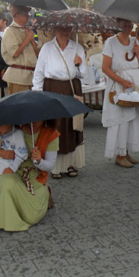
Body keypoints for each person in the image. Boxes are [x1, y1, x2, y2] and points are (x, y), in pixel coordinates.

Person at [32, 26, 86, 178]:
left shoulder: (77, 48)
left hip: (71, 88)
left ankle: (70, 164)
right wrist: (37, 93)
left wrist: (78, 64)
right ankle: (54, 166)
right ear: (55, 30)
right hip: (52, 88)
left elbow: (83, 75)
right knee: (54, 126)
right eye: (61, 29)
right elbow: (39, 72)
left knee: (71, 126)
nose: (65, 32)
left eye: (67, 30)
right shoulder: (47, 48)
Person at [101, 18, 139, 168]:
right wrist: (122, 81)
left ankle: (127, 151)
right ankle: (120, 154)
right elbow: (106, 68)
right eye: (124, 25)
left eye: (129, 26)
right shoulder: (110, 42)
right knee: (122, 119)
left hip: (135, 84)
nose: (127, 28)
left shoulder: (135, 42)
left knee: (133, 119)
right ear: (118, 26)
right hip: (119, 85)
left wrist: (138, 53)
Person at [0, 120, 59, 231]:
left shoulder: (51, 134)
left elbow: (50, 166)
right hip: (15, 170)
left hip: (36, 177)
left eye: (38, 117)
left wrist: (39, 161)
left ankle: (45, 193)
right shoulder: (17, 130)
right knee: (4, 182)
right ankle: (9, 219)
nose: (34, 121)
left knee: (32, 217)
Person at [2, 4, 40, 95]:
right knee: (18, 107)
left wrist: (31, 39)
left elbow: (37, 53)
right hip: (18, 77)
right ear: (17, 15)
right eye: (26, 14)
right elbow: (15, 53)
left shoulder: (26, 30)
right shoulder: (9, 31)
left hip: (31, 76)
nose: (28, 16)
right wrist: (27, 39)